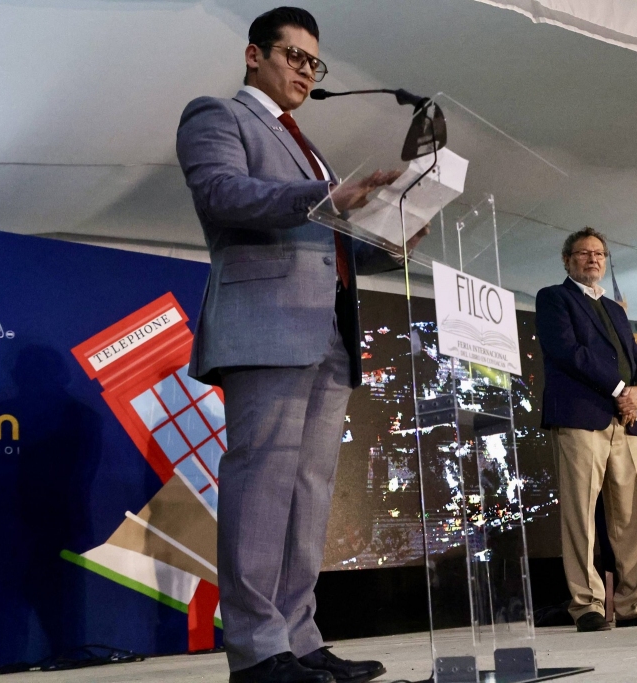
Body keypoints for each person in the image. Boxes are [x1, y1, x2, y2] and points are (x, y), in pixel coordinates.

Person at [176, 8, 425, 683]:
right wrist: (327, 193)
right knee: (262, 485)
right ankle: (259, 651)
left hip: (328, 334)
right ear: (254, 55)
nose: (307, 72)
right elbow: (223, 194)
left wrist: (391, 242)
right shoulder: (217, 116)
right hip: (267, 325)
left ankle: (299, 637)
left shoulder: (310, 146)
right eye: (295, 56)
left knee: (309, 491)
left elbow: (331, 246)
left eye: (315, 63)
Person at [535, 227, 637, 631]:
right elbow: (569, 352)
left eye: (599, 253)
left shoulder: (616, 310)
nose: (593, 259)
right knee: (580, 515)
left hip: (626, 422)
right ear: (567, 260)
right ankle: (587, 605)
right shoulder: (554, 298)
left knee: (633, 515)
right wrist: (620, 389)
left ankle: (636, 603)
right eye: (584, 253)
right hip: (580, 417)